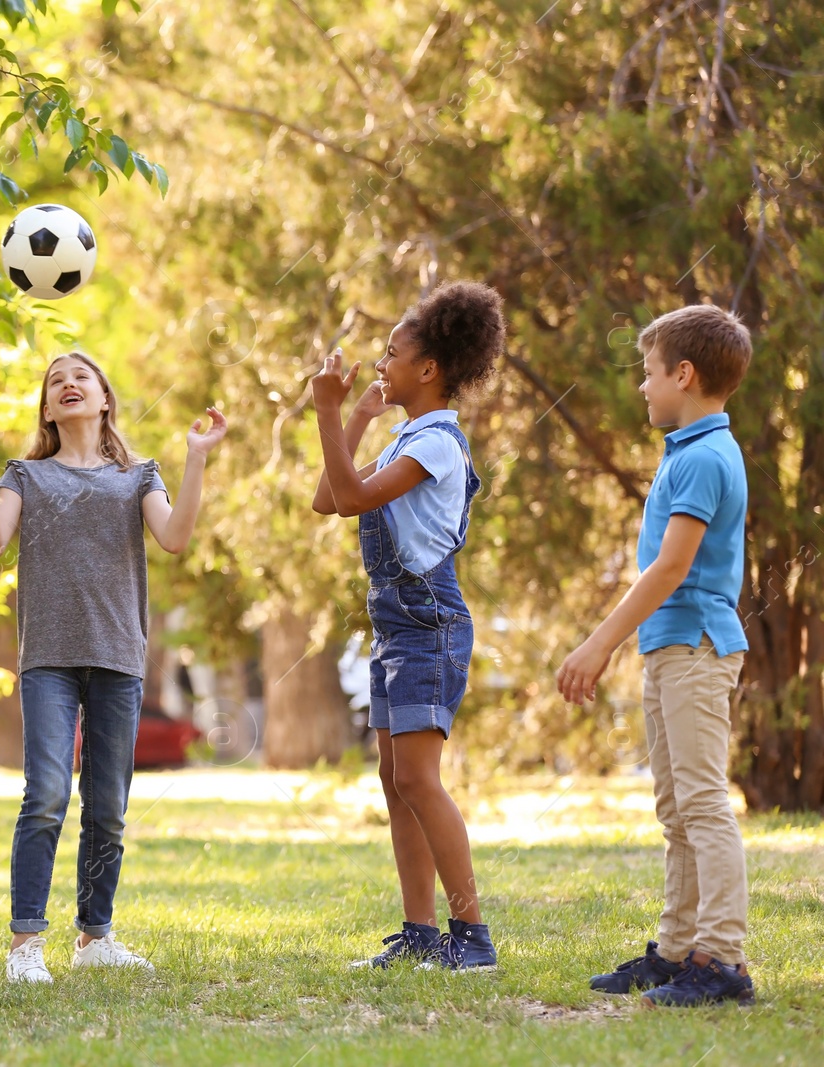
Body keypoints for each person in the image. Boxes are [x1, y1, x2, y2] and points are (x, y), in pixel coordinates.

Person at [0, 351, 226, 984]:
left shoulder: (139, 475)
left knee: (107, 805)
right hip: (48, 659)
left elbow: (175, 537)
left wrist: (196, 458)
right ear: (49, 409)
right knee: (48, 795)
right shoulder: (24, 474)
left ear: (104, 398)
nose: (68, 384)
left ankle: (95, 936)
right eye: (57, 381)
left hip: (118, 654)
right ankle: (25, 944)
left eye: (80, 376)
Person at [559, 304, 755, 1007]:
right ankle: (678, 950)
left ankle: (723, 959)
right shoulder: (690, 451)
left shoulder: (704, 456)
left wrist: (598, 642)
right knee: (676, 808)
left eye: (648, 374)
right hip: (672, 649)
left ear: (684, 373)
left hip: (697, 647)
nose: (643, 387)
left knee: (702, 804)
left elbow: (671, 567)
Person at [310, 282, 505, 972]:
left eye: (392, 354)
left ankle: (472, 936)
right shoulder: (407, 436)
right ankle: (420, 933)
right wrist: (354, 414)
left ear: (429, 370)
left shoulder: (439, 443)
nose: (380, 363)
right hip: (395, 624)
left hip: (429, 619)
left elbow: (356, 495)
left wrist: (330, 412)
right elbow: (327, 498)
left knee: (420, 780)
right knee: (396, 779)